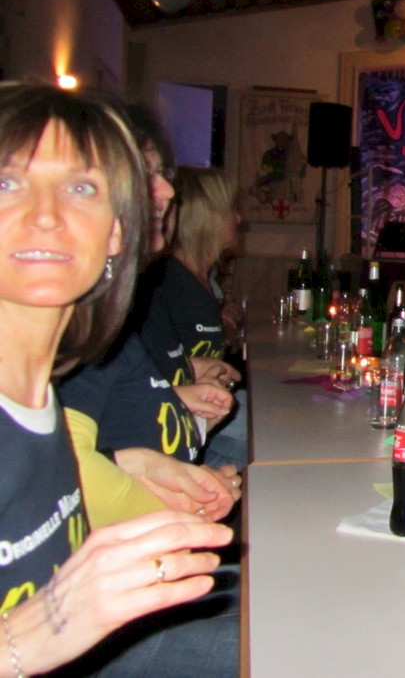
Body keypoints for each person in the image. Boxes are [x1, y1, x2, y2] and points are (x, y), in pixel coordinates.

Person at [0, 82, 232, 674]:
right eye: (7, 183)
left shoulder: (40, 397)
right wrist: (23, 638)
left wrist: (129, 462)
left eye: (81, 188)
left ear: (118, 231)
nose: (46, 214)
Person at [143, 167, 248, 470]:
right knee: (266, 430)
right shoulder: (167, 282)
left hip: (203, 406)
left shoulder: (200, 279)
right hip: (177, 418)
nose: (239, 218)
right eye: (231, 210)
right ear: (208, 217)